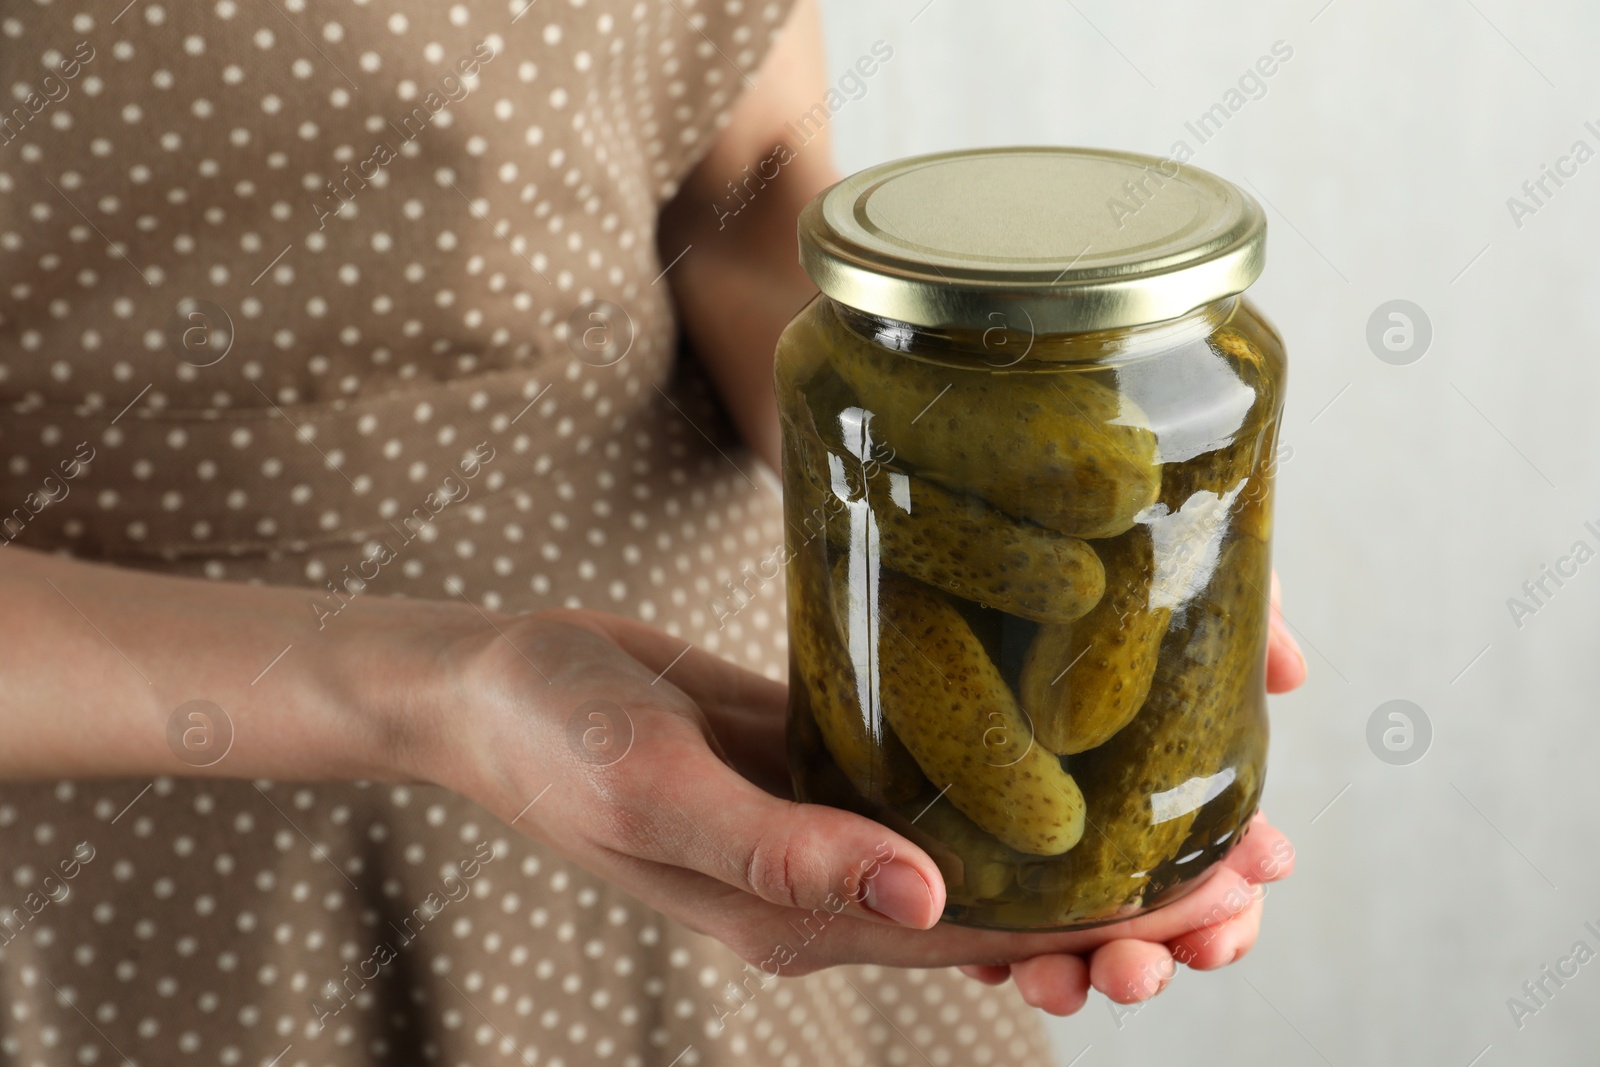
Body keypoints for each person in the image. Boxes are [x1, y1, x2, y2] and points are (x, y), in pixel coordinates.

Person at [0, 0, 1308, 1062]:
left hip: (715, 726)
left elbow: (742, 200)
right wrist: (437, 688)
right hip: (150, 842)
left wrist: (963, 473)